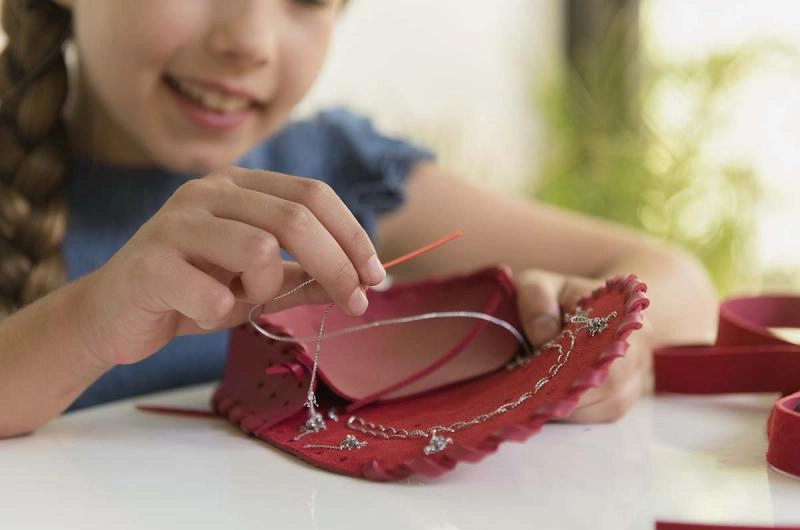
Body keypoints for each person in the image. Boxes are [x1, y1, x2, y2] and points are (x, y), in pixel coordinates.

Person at [0, 0, 717, 438]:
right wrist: (92, 319)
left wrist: (608, 339)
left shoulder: (341, 175)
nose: (249, 40)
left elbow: (679, 282)